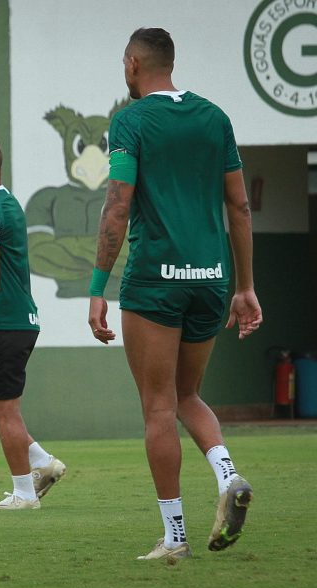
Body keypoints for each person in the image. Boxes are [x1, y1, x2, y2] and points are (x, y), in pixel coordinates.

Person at [88, 28, 261, 561]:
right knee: (187, 396)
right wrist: (246, 286)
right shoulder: (215, 117)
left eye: (125, 65)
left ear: (133, 64)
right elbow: (239, 206)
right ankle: (228, 475)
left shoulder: (130, 121)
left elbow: (118, 206)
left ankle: (175, 538)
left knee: (158, 408)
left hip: (155, 282)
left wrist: (97, 287)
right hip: (210, 281)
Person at [0, 138, 66, 510]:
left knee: (5, 410)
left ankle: (25, 494)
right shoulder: (2, 202)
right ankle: (42, 462)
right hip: (7, 322)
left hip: (6, 323)